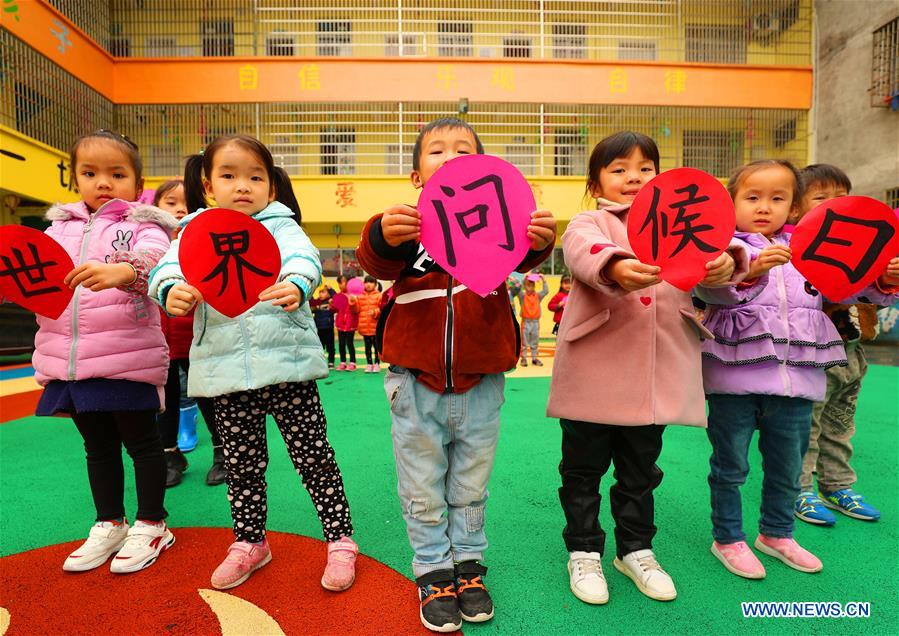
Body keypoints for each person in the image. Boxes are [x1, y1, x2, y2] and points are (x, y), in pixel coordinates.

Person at [356, 117, 557, 632]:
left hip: (482, 379)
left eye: (464, 151)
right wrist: (382, 231)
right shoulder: (407, 228)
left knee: (470, 484)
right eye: (437, 151)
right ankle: (432, 568)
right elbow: (374, 259)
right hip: (414, 380)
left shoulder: (496, 227)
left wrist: (537, 241)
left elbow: (526, 253)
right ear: (417, 174)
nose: (450, 158)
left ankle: (468, 563)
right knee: (422, 485)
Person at [149, 134, 359, 591]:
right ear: (208, 185)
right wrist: (171, 290)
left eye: (255, 176)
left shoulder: (280, 226)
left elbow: (305, 258)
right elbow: (167, 268)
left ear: (271, 186)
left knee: (314, 458)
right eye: (229, 175)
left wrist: (300, 282)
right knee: (243, 466)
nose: (242, 186)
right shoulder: (194, 231)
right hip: (226, 374)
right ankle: (250, 542)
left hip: (288, 367)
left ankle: (340, 539)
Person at [547, 131, 743, 604]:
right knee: (582, 469)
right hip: (595, 371)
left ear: (660, 176)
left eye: (644, 168)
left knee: (640, 469)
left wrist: (722, 265)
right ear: (596, 185)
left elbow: (721, 259)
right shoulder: (588, 220)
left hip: (654, 376)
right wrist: (612, 265)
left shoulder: (683, 221)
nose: (633, 176)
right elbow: (581, 249)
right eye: (618, 169)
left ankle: (635, 549)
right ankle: (584, 549)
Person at [696, 159, 899, 579]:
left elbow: (852, 284)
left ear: (794, 207)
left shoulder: (813, 247)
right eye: (752, 197)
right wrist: (751, 270)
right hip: (736, 379)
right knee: (730, 466)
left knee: (788, 467)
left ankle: (777, 533)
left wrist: (883, 278)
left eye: (778, 198)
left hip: (798, 380)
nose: (764, 206)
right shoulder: (726, 246)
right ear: (731, 204)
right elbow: (712, 288)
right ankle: (728, 538)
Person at [30, 130, 177, 573]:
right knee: (97, 448)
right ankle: (109, 521)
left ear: (137, 179)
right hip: (69, 361)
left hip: (127, 356)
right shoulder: (57, 229)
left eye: (117, 173)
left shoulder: (145, 226)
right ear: (74, 177)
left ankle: (153, 523)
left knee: (143, 444)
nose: (103, 182)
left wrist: (122, 270)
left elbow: (155, 263)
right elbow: (32, 276)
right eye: (90, 173)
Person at [793, 165, 883, 525]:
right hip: (810, 355)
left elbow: (875, 294)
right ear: (797, 208)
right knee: (807, 427)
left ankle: (837, 484)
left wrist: (886, 278)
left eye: (841, 198)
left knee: (841, 424)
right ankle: (799, 489)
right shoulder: (796, 249)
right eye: (821, 198)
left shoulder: (860, 246)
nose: (833, 206)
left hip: (850, 351)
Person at [152, 179, 225, 487]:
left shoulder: (202, 236)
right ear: (155, 206)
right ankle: (170, 456)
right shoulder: (148, 241)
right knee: (164, 400)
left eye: (186, 202)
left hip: (196, 333)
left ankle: (223, 453)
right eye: (170, 202)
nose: (179, 208)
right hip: (157, 338)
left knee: (207, 395)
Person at [517, 273, 548, 366]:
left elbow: (546, 291)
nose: (529, 287)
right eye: (527, 285)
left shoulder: (538, 296)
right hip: (525, 322)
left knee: (535, 341)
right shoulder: (522, 296)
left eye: (532, 285)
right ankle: (524, 358)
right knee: (524, 342)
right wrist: (524, 279)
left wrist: (543, 280)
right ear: (524, 286)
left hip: (535, 322)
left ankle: (534, 358)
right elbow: (518, 289)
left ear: (534, 286)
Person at [331, 275, 359, 371]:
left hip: (350, 324)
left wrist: (353, 303)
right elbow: (335, 310)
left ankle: (352, 362)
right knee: (341, 344)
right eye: (339, 283)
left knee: (349, 343)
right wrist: (332, 304)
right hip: (340, 324)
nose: (340, 285)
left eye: (342, 282)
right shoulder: (338, 295)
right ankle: (342, 362)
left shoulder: (354, 296)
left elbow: (356, 310)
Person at [356, 275, 383, 373]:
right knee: (367, 348)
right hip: (364, 328)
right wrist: (352, 303)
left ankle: (376, 364)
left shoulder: (379, 295)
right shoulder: (360, 296)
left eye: (371, 282)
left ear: (375, 284)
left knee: (376, 348)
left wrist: (375, 312)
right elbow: (356, 310)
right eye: (366, 282)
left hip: (375, 328)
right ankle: (369, 364)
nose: (368, 284)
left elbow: (382, 310)